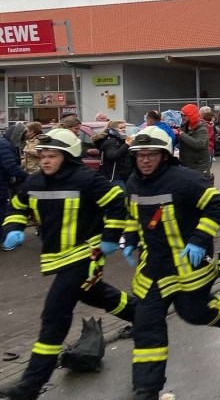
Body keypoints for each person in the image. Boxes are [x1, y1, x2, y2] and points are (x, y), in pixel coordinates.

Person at [0, 128, 135, 400]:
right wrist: (12, 227)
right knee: (96, 294)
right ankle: (145, 317)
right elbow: (17, 206)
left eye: (52, 156)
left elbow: (118, 204)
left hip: (86, 254)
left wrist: (110, 238)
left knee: (54, 316)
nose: (46, 161)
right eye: (43, 156)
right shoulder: (35, 182)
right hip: (58, 258)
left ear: (68, 157)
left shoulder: (87, 180)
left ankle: (30, 385)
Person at [123, 126, 220, 399]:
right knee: (146, 327)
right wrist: (129, 239)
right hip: (152, 268)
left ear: (164, 156)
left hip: (189, 267)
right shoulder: (132, 183)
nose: (146, 160)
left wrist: (199, 239)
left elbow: (216, 203)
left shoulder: (185, 180)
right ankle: (147, 389)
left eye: (152, 155)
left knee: (192, 313)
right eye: (140, 155)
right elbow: (132, 215)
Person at [95, 120, 134, 188]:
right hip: (114, 177)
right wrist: (127, 145)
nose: (124, 130)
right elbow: (112, 155)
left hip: (125, 176)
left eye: (124, 128)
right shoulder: (111, 141)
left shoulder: (122, 140)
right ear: (113, 129)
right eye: (121, 128)